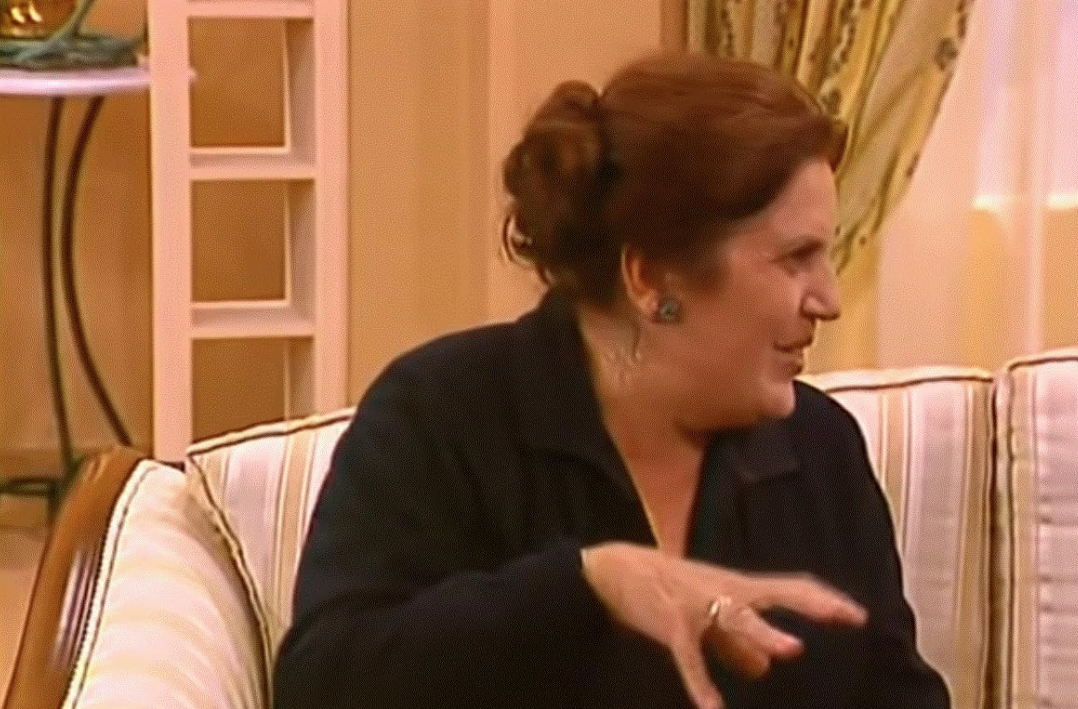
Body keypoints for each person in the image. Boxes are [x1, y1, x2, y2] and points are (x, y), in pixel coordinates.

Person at [274, 52, 950, 709]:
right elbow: (322, 683)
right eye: (795, 258)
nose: (828, 299)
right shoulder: (444, 414)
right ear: (651, 278)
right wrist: (586, 584)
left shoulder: (820, 448)